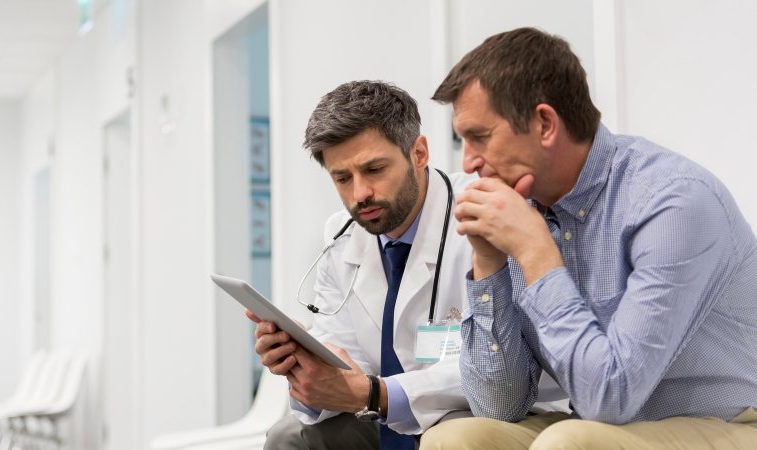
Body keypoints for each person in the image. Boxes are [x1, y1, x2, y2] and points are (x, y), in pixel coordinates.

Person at [419, 27, 757, 449]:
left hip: (727, 423)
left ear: (545, 124)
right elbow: (498, 405)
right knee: (453, 438)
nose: (468, 162)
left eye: (480, 137)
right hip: (601, 423)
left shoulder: (673, 201)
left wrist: (535, 252)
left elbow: (610, 397)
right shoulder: (524, 209)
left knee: (569, 442)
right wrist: (488, 263)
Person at [250, 80, 566, 450]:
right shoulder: (341, 235)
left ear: (419, 153)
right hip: (385, 416)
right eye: (342, 178)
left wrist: (374, 393)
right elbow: (344, 361)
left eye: (374, 169)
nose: (359, 194)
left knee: (450, 435)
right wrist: (306, 371)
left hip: (489, 413)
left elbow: (496, 376)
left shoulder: (487, 211)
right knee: (289, 437)